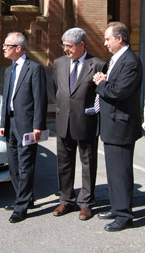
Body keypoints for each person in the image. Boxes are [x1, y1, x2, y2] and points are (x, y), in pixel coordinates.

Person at [93, 22, 143, 232]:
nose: (105, 43)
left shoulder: (131, 61)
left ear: (119, 39)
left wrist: (101, 82)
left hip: (121, 125)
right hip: (112, 124)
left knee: (121, 171)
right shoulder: (117, 59)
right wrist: (105, 80)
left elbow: (118, 92)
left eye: (107, 39)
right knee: (113, 170)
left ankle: (124, 215)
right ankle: (117, 207)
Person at [52, 28, 106, 221]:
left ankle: (86, 203)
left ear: (82, 45)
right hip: (63, 122)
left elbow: (101, 95)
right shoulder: (58, 63)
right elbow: (58, 89)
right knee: (64, 163)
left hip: (86, 123)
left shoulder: (98, 64)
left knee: (88, 164)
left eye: (69, 46)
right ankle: (66, 199)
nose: (66, 50)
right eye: (64, 45)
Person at [0, 32, 47, 223]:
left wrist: (38, 125)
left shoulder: (34, 68)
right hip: (10, 124)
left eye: (6, 45)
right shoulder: (9, 70)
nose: (3, 48)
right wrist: (3, 123)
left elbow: (40, 99)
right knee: (14, 165)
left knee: (26, 165)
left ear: (18, 48)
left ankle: (21, 206)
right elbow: (6, 98)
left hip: (27, 125)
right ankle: (25, 197)